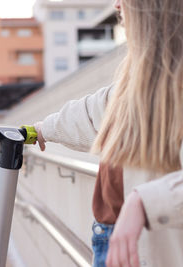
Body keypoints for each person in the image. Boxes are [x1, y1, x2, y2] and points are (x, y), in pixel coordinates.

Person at [33, 0, 183, 266]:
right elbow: (89, 115)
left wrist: (143, 203)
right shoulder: (134, 83)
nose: (116, 4)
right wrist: (39, 131)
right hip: (109, 237)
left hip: (144, 243)